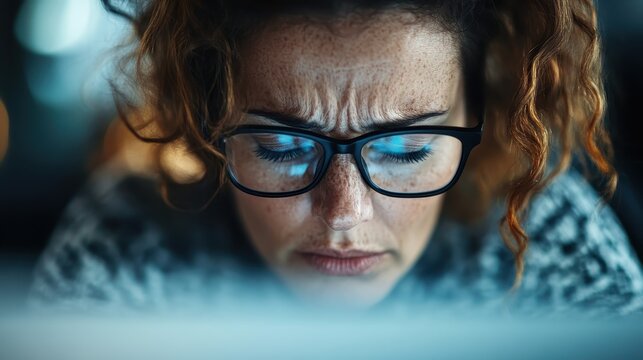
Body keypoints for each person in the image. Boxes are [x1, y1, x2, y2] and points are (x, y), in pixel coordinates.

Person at [29, 0, 643, 314]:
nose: (344, 213)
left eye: (406, 149)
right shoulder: (128, 243)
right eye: (281, 147)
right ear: (209, 125)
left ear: (478, 119)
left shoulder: (544, 242)